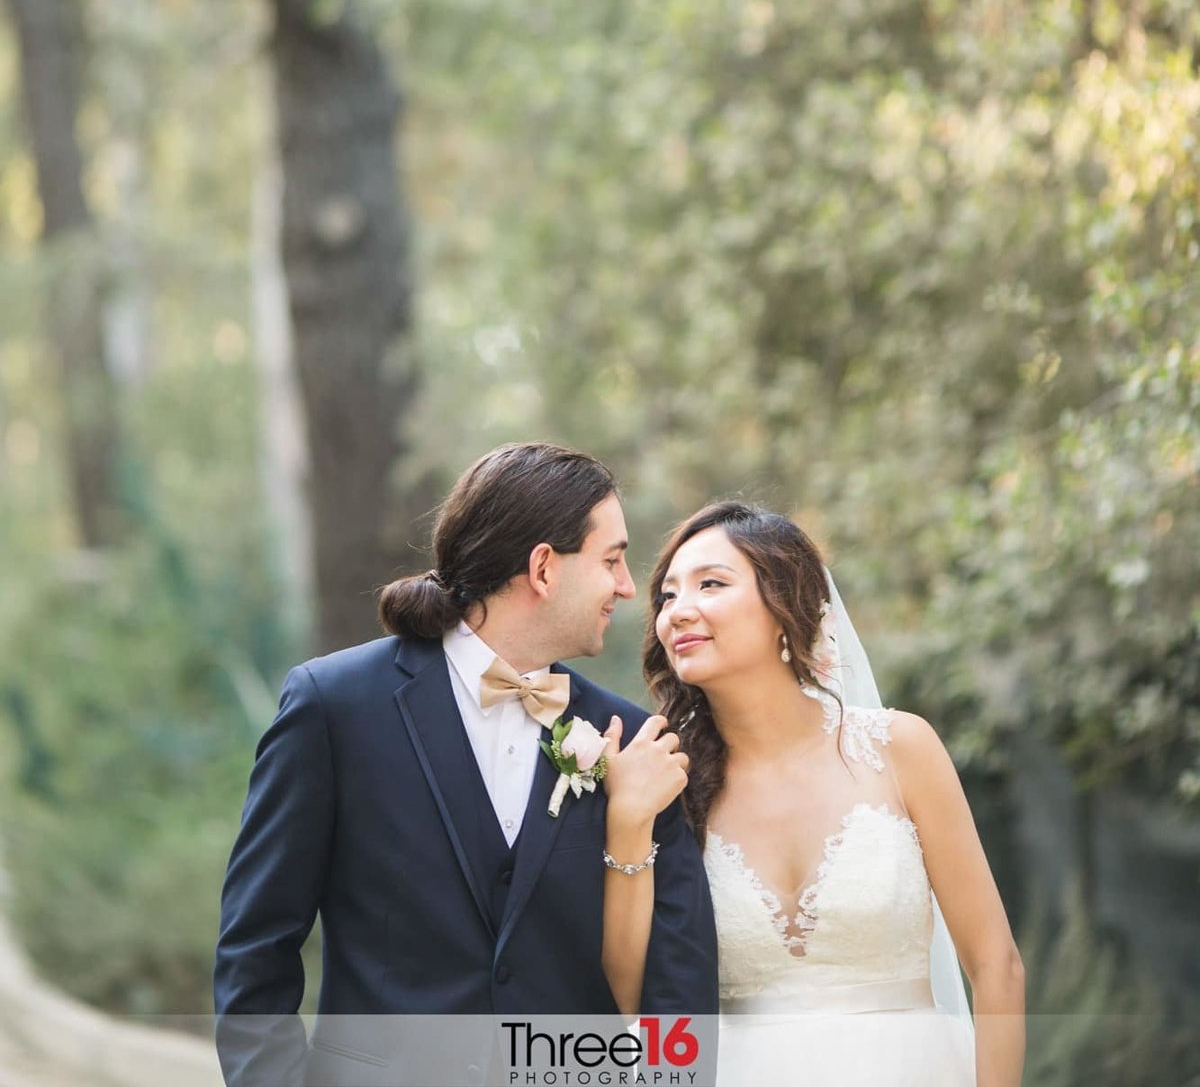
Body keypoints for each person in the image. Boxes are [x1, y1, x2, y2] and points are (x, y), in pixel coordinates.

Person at [214, 443, 719, 1087]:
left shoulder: (630, 741)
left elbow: (678, 979)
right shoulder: (335, 705)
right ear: (543, 569)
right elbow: (256, 945)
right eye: (612, 560)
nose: (626, 586)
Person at [599, 500, 1025, 1087]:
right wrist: (627, 821)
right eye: (668, 596)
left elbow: (995, 965)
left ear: (784, 606)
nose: (679, 612)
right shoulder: (668, 780)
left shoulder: (900, 747)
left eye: (711, 584)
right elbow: (630, 991)